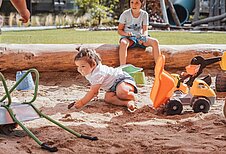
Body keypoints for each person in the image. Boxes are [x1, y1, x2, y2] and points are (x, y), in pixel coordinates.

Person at [68, 48, 139, 112]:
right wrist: (95, 94)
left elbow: (93, 91)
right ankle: (127, 103)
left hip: (121, 79)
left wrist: (81, 103)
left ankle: (133, 97)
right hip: (111, 88)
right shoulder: (89, 72)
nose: (80, 69)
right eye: (78, 66)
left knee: (122, 93)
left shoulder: (98, 73)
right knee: (108, 98)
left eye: (83, 66)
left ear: (93, 64)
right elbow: (95, 87)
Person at [118, 0, 161, 65]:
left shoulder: (144, 14)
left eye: (137, 3)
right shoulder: (125, 14)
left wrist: (144, 36)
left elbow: (145, 30)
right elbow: (119, 30)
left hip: (140, 37)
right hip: (128, 38)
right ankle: (122, 67)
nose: (134, 5)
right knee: (123, 43)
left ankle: (159, 68)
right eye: (132, 2)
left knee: (155, 42)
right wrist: (126, 34)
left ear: (142, 3)